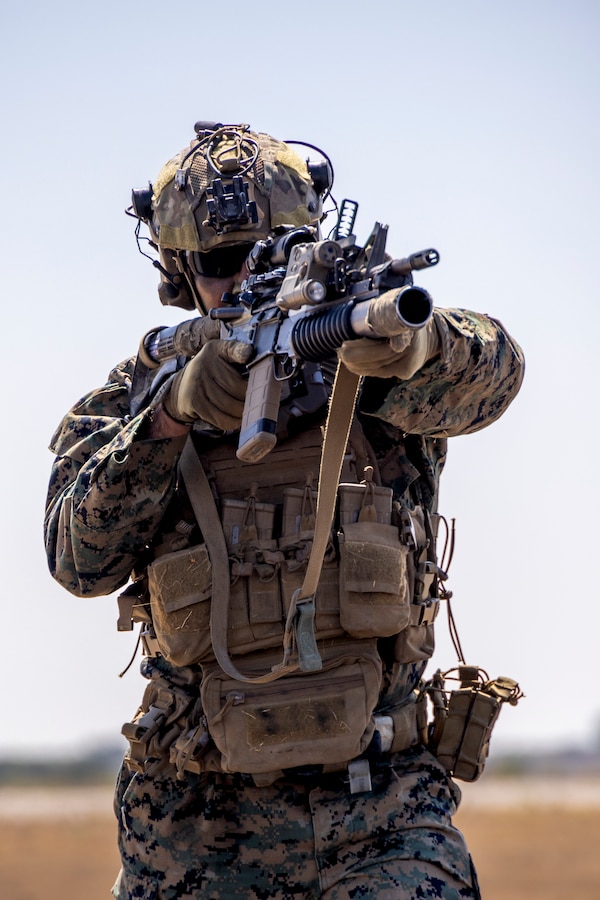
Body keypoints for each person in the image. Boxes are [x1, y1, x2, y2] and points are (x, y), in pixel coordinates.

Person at [44, 121, 524, 899]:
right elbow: (76, 558)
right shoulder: (133, 398)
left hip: (383, 812)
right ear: (181, 270)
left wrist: (415, 347)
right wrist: (172, 418)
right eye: (221, 264)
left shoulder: (375, 364)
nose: (244, 280)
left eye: (275, 250)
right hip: (194, 830)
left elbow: (495, 372)